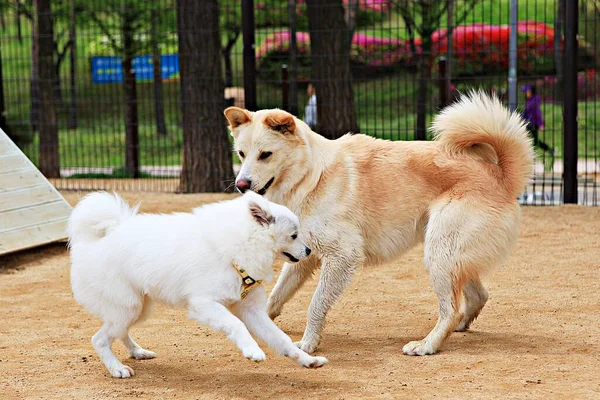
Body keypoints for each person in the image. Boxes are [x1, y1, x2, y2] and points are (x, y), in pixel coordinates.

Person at [521, 85, 555, 158]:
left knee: (532, 141)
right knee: (533, 141)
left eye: (527, 91)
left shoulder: (534, 101)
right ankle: (551, 150)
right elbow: (526, 113)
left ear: (531, 92)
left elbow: (537, 113)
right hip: (528, 124)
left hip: (532, 124)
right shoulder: (529, 101)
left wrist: (541, 124)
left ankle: (550, 150)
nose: (526, 93)